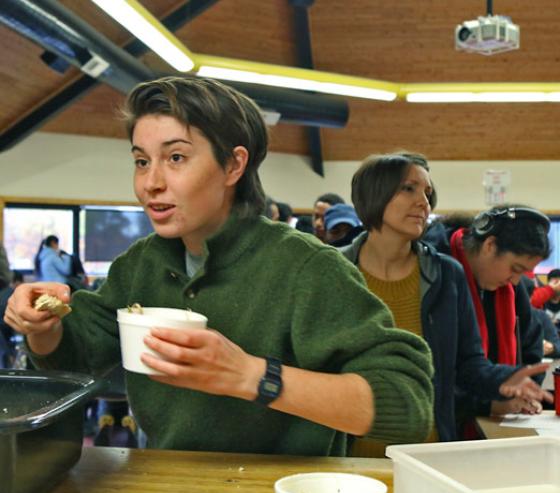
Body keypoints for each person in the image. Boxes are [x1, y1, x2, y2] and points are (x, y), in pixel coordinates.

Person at [5, 75, 435, 456]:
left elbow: (406, 402)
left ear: (233, 164)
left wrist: (250, 375)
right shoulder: (141, 264)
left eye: (175, 158)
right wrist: (44, 327)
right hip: (171, 482)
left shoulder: (306, 267)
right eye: (141, 161)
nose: (151, 182)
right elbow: (77, 359)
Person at [340, 153, 550, 454]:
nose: (423, 202)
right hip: (346, 454)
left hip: (428, 451)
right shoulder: (334, 270)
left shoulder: (447, 273)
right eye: (409, 188)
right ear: (374, 194)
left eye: (427, 193)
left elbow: (468, 365)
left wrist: (505, 377)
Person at [424, 204, 551, 432]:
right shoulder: (435, 274)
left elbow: (531, 346)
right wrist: (487, 403)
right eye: (515, 268)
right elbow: (437, 375)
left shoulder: (511, 288)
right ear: (490, 245)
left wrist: (523, 392)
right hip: (436, 426)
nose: (515, 281)